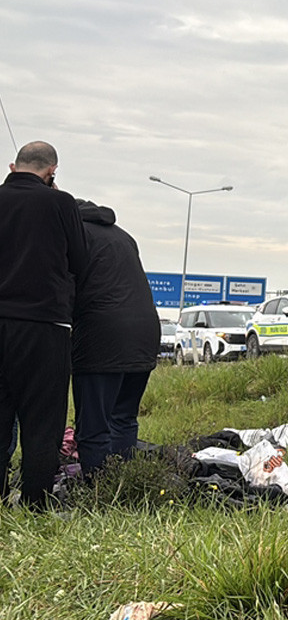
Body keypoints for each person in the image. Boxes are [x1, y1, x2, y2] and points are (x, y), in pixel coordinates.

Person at [0, 141, 89, 508]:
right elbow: (80, 261)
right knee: (42, 420)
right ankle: (35, 503)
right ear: (52, 172)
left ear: (12, 167)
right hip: (45, 325)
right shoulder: (61, 203)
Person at [70, 198, 160, 475]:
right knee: (123, 418)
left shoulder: (75, 234)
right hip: (146, 333)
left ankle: (96, 489)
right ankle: (121, 484)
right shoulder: (124, 236)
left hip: (102, 335)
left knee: (93, 426)